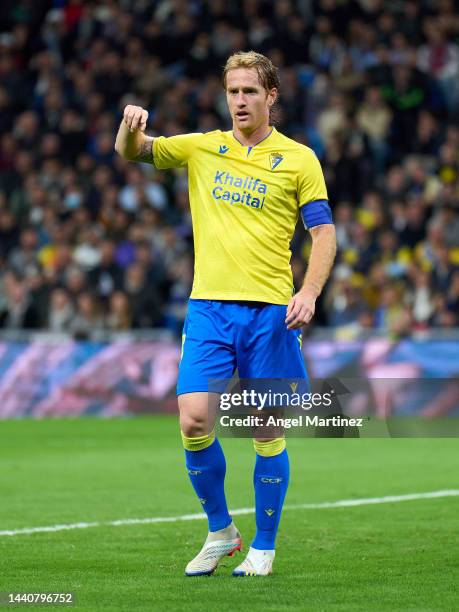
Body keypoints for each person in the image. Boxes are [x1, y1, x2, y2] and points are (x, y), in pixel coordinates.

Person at [115, 51, 336, 577]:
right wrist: (128, 126)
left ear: (271, 96)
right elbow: (133, 153)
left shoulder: (300, 159)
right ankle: (221, 530)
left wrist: (308, 291)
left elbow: (323, 233)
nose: (239, 100)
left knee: (264, 429)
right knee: (193, 418)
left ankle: (264, 546)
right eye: (233, 91)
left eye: (250, 92)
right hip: (209, 308)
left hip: (270, 314)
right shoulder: (203, 148)